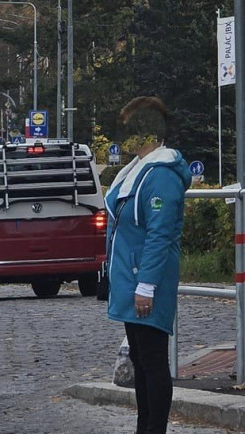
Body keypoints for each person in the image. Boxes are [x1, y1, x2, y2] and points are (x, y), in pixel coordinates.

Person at [105, 96, 192, 434]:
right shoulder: (137, 170)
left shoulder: (162, 176)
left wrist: (146, 286)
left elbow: (160, 233)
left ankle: (154, 429)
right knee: (141, 360)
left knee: (153, 361)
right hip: (131, 277)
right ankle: (146, 428)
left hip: (145, 281)